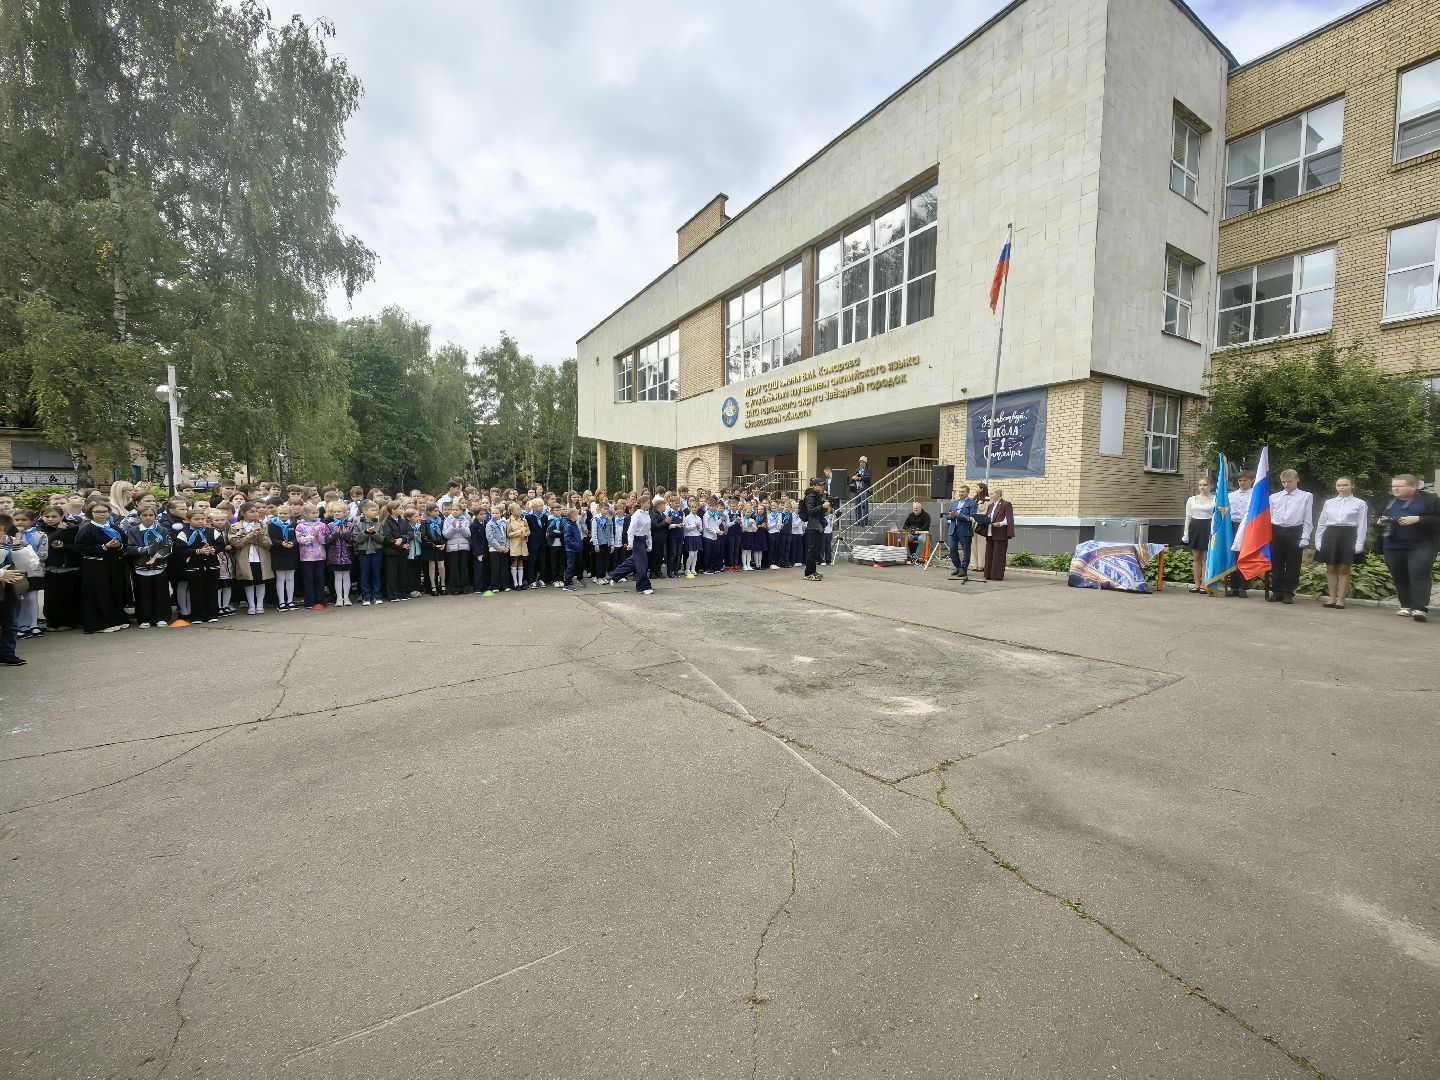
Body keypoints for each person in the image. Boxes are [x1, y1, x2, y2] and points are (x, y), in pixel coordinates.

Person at [1376, 473, 1439, 622]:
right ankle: (1405, 604)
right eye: (1393, 486)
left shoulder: (1430, 499)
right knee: (1399, 575)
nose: (1395, 489)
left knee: (1419, 573)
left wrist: (1418, 519)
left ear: (1414, 486)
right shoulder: (1388, 500)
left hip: (1422, 544)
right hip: (1393, 544)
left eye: (1399, 486)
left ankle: (1419, 608)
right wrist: (1380, 520)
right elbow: (1377, 516)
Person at [73, 502, 129, 633]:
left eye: (104, 511)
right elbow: (79, 548)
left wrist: (119, 546)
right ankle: (99, 623)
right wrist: (104, 547)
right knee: (99, 594)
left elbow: (125, 542)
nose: (101, 514)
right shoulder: (87, 529)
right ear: (90, 514)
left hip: (114, 565)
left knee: (114, 591)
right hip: (95, 567)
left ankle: (116, 619)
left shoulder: (114, 527)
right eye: (97, 512)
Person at [1314, 477, 1368, 610]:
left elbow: (1362, 525)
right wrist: (1318, 541)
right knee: (1331, 567)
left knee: (1344, 568)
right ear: (1336, 486)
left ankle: (1341, 599)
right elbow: (1321, 523)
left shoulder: (1360, 503)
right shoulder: (1329, 503)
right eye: (1339, 485)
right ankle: (1332, 598)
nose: (1342, 487)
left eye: (1345, 485)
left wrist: (1359, 544)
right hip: (1330, 535)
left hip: (1349, 535)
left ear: (1352, 485)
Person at [1267, 469, 1313, 605]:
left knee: (1293, 564)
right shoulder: (1274, 497)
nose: (1286, 485)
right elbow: (1270, 516)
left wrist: (1305, 536)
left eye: (1289, 481)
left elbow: (1307, 517)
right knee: (1276, 563)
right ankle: (1276, 591)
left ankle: (1288, 592)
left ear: (1297, 480)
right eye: (1283, 482)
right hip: (1276, 530)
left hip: (1295, 531)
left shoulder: (1306, 496)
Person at [124, 505, 172, 628]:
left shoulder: (162, 530)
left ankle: (162, 617)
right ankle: (145, 618)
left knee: (161, 592)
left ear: (155, 516)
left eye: (151, 515)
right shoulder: (133, 531)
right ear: (139, 516)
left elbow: (168, 546)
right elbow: (129, 547)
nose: (148, 518)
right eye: (144, 515)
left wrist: (157, 556)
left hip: (159, 566)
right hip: (141, 567)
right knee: (143, 593)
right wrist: (140, 550)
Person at [37, 505, 81, 631]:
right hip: (51, 567)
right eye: (47, 516)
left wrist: (64, 545)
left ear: (62, 517)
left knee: (69, 595)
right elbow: (47, 542)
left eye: (54, 516)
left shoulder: (72, 527)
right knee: (52, 597)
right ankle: (52, 622)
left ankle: (68, 622)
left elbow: (78, 545)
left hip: (70, 567)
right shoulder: (41, 529)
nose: (50, 519)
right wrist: (60, 531)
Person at [605, 494, 659, 594]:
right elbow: (631, 530)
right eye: (648, 502)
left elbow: (648, 531)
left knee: (633, 562)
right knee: (642, 564)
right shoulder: (637, 515)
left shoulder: (647, 514)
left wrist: (649, 543)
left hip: (643, 541)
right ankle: (643, 587)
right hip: (637, 541)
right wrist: (630, 543)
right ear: (642, 503)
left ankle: (615, 575)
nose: (649, 504)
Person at [178, 507, 222, 624]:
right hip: (194, 567)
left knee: (211, 590)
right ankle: (197, 615)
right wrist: (198, 551)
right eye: (196, 519)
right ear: (188, 520)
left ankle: (212, 614)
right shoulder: (184, 533)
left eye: (202, 519)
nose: (200, 521)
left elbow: (220, 544)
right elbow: (181, 550)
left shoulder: (212, 531)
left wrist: (213, 549)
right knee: (196, 592)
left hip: (211, 566)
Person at [229, 501, 274, 614]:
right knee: (248, 581)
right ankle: (251, 605)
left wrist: (260, 537)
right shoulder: (236, 526)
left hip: (260, 557)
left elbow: (268, 543)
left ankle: (259, 605)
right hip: (245, 557)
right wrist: (250, 536)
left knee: (260, 580)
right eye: (251, 511)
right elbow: (236, 543)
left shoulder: (262, 525)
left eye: (256, 511)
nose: (255, 513)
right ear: (243, 513)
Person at [1181, 478, 1216, 593]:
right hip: (1195, 528)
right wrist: (1185, 533)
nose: (1202, 487)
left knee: (1206, 559)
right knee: (1196, 558)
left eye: (1205, 484)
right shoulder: (1192, 499)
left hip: (1208, 528)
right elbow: (1188, 517)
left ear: (1211, 486)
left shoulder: (1215, 499)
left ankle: (1204, 584)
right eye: (1200, 484)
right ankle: (1196, 584)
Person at [1226, 471, 1256, 597]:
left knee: (1244, 556)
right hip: (1232, 526)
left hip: (1247, 526)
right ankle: (1234, 587)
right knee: (1233, 556)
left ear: (1251, 480)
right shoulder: (1231, 495)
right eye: (1240, 481)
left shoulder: (1255, 494)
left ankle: (1244, 587)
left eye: (1245, 480)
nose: (1242, 483)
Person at [295, 505, 331, 611]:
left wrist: (318, 537)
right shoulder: (300, 526)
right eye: (313, 513)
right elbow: (300, 540)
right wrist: (312, 537)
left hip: (320, 556)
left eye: (316, 512)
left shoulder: (322, 525)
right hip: (307, 557)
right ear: (305, 514)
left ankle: (321, 600)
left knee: (320, 578)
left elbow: (325, 539)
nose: (316, 514)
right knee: (308, 579)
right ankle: (309, 601)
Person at [269, 503, 301, 610]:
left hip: (291, 553)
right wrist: (281, 543)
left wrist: (292, 543)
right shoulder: (272, 525)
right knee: (280, 578)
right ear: (277, 513)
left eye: (285, 513)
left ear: (290, 514)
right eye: (280, 513)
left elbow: (297, 537)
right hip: (278, 554)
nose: (283, 515)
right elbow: (272, 538)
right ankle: (281, 602)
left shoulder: (294, 525)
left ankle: (290, 601)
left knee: (290, 578)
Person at [947, 484, 978, 581]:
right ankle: (958, 567)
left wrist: (958, 515)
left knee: (966, 551)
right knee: (952, 549)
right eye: (959, 492)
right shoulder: (954, 503)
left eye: (963, 492)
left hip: (965, 530)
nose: (960, 493)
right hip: (953, 529)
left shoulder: (972, 503)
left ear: (967, 493)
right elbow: (947, 515)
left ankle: (963, 569)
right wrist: (951, 516)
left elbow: (972, 517)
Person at [983, 487, 1014, 581]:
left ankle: (997, 575)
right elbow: (989, 516)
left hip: (1000, 532)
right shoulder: (991, 505)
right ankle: (988, 574)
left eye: (992, 494)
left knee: (998, 554)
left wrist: (1000, 524)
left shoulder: (1006, 504)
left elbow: (1008, 519)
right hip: (990, 531)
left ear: (998, 495)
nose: (991, 496)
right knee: (989, 554)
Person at [801, 478, 825, 581]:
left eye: (822, 485)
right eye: (820, 485)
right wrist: (822, 506)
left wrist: (824, 507)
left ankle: (813, 571)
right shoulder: (811, 496)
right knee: (811, 551)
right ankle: (808, 573)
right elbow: (810, 511)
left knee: (815, 551)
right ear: (814, 485)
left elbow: (818, 512)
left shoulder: (817, 495)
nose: (821, 487)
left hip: (817, 526)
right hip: (812, 526)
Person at [506, 501, 530, 591]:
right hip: (514, 545)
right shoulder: (509, 521)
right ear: (512, 511)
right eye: (517, 509)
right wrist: (519, 532)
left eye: (520, 509)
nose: (520, 510)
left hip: (523, 545)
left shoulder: (524, 520)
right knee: (514, 562)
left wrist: (526, 534)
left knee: (521, 562)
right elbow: (508, 534)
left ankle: (520, 582)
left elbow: (528, 530)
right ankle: (515, 583)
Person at [560, 508, 585, 591]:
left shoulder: (574, 524)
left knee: (579, 564)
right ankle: (567, 583)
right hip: (571, 550)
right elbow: (567, 539)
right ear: (573, 516)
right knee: (570, 566)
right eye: (577, 515)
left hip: (577, 549)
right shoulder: (568, 525)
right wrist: (576, 545)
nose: (577, 517)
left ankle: (579, 578)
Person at [852, 456, 872, 526]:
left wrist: (859, 478)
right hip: (857, 489)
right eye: (860, 462)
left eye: (862, 462)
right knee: (857, 506)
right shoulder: (857, 469)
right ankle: (858, 521)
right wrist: (854, 478)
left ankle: (865, 521)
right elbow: (856, 477)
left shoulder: (868, 469)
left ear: (865, 462)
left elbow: (867, 478)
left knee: (864, 505)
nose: (861, 463)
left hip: (864, 489)